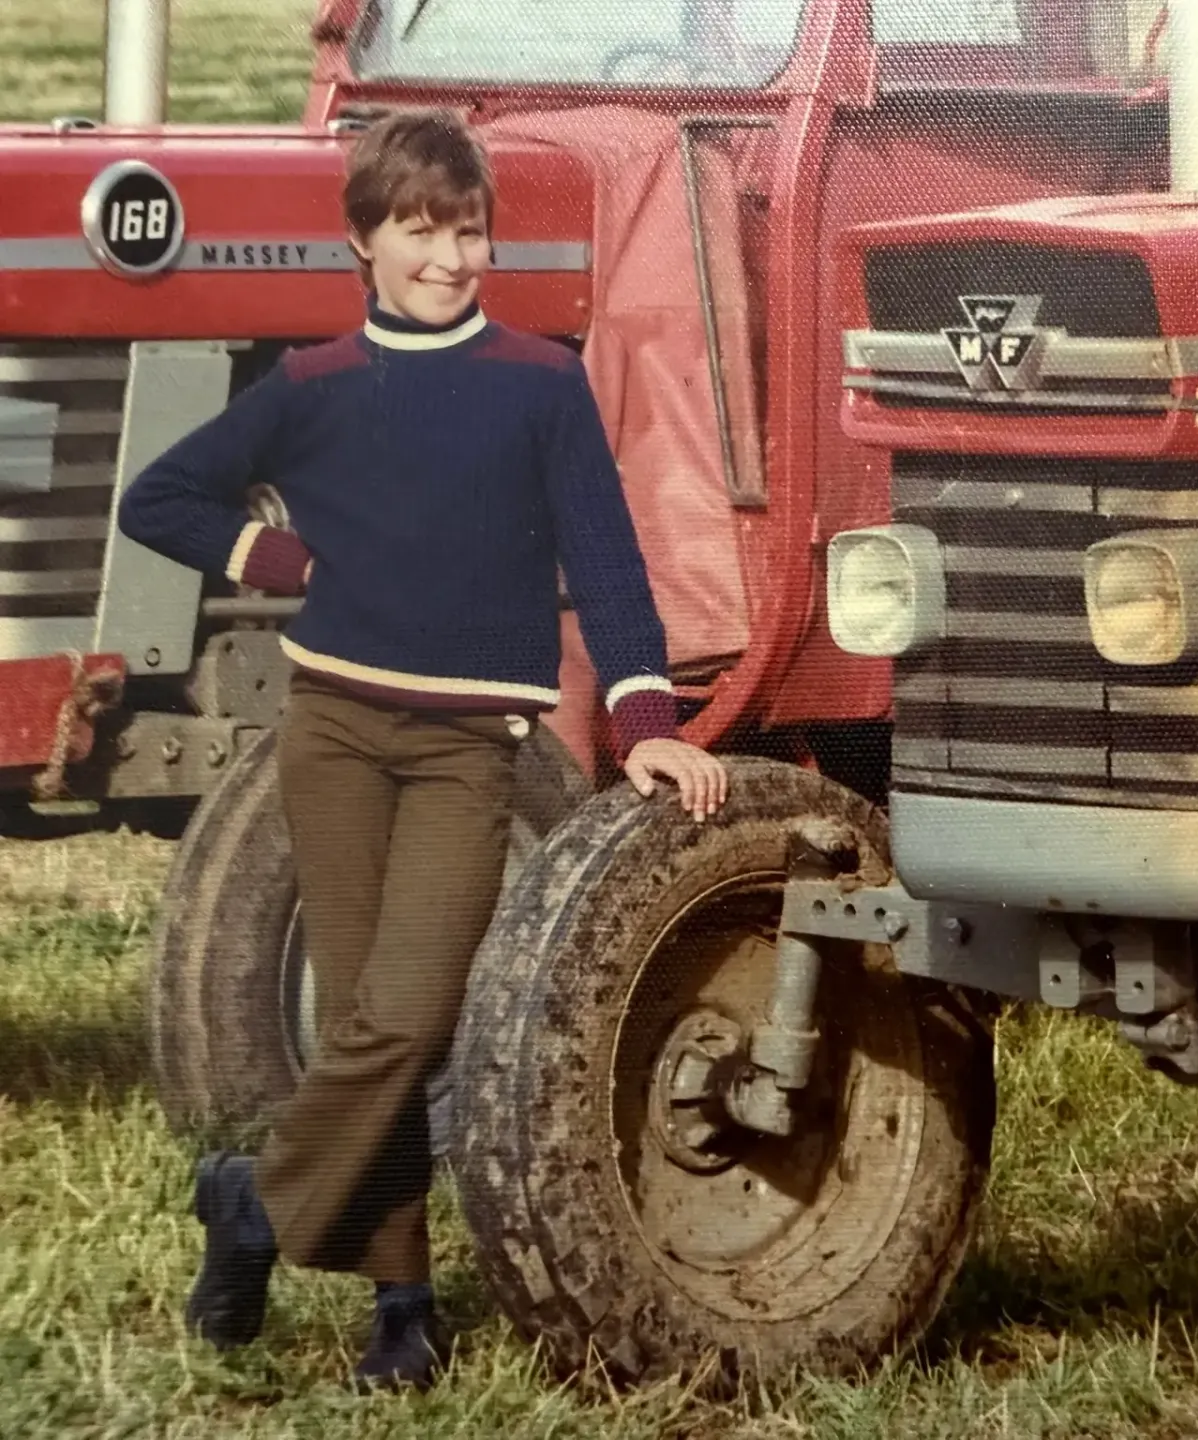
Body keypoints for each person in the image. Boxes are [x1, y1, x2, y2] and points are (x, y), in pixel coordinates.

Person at [115, 109, 730, 1392]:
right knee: (358, 1023)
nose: (449, 257)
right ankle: (403, 1306)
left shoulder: (540, 385)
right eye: (418, 230)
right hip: (332, 739)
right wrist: (278, 560)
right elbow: (158, 497)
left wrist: (647, 727)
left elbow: (610, 565)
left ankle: (249, 1200)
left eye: (468, 230)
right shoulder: (317, 385)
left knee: (410, 1013)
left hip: (466, 753)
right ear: (363, 243)